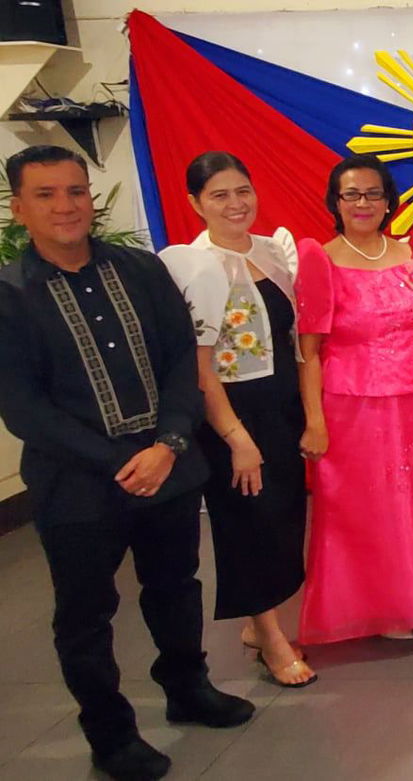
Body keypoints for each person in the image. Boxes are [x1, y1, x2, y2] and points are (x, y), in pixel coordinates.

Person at [0, 145, 254, 781]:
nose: (66, 206)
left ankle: (188, 688)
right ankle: (111, 735)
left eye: (76, 191)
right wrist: (123, 461)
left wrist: (166, 445)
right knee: (86, 615)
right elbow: (24, 409)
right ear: (19, 209)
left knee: (177, 587)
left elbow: (180, 360)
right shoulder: (9, 294)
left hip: (169, 467)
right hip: (77, 488)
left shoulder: (141, 269)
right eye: (46, 195)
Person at [295, 154, 413, 644]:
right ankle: (377, 606)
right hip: (353, 405)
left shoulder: (412, 253)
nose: (363, 203)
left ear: (389, 200)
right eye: (351, 194)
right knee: (366, 508)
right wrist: (314, 420)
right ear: (335, 202)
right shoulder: (321, 259)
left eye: (373, 193)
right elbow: (308, 351)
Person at [158, 152, 314, 688]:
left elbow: (294, 338)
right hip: (229, 414)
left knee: (283, 519)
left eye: (242, 191)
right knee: (246, 523)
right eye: (219, 195)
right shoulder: (191, 265)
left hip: (282, 408)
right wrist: (236, 437)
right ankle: (270, 637)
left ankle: (259, 620)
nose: (235, 204)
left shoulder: (273, 251)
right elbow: (199, 366)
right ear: (195, 203)